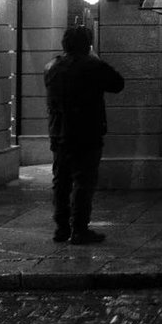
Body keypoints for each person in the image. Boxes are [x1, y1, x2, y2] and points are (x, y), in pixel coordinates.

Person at [44, 25, 125, 245]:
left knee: (61, 181)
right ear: (88, 44)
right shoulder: (92, 65)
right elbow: (118, 84)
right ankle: (79, 229)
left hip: (58, 131)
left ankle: (61, 228)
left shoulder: (52, 67)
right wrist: (95, 58)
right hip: (87, 131)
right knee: (83, 181)